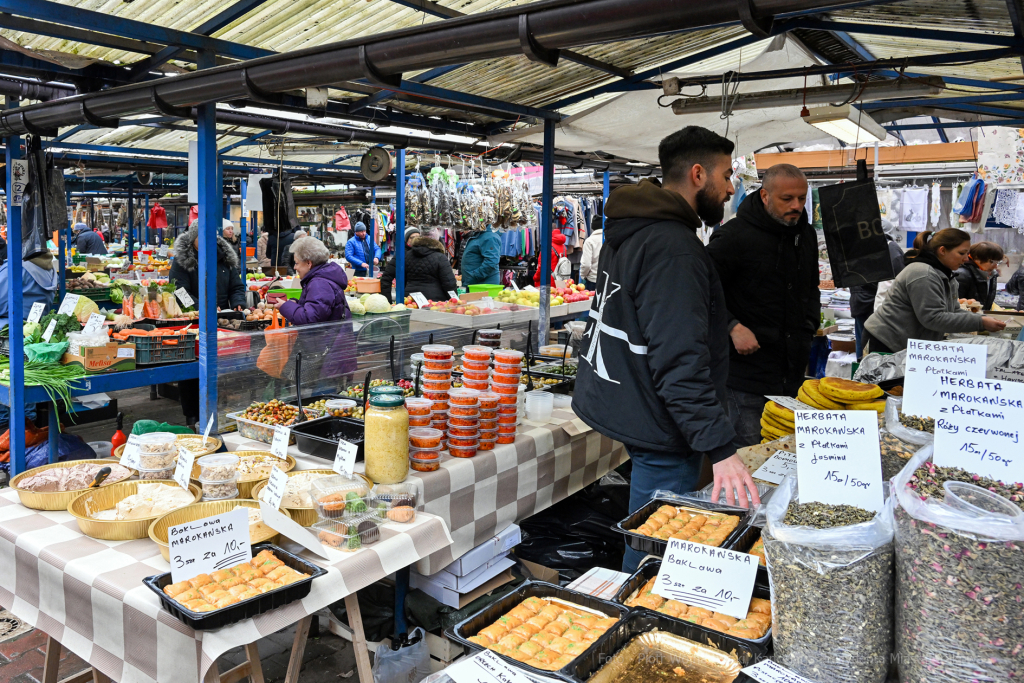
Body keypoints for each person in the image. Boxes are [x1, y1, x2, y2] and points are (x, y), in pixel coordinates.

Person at [572, 125, 760, 574]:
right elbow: (680, 362)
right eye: (726, 175)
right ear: (698, 175)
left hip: (636, 408)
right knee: (654, 549)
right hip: (662, 425)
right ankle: (631, 620)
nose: (732, 187)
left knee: (648, 531)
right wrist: (721, 450)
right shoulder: (673, 249)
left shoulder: (635, 230)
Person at [706, 163, 819, 448]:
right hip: (746, 376)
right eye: (787, 199)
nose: (797, 206)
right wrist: (732, 326)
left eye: (802, 198)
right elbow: (700, 287)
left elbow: (811, 287)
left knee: (786, 453)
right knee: (752, 454)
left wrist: (810, 324)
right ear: (765, 196)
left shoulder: (804, 234)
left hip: (792, 373)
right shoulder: (734, 236)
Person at [865, 229, 1006, 353]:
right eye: (962, 253)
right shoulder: (922, 273)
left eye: (967, 254)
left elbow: (953, 311)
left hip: (908, 342)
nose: (965, 259)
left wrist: (982, 318)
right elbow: (933, 318)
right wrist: (981, 323)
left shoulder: (946, 275)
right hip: (887, 341)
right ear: (942, 250)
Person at [169, 222, 247, 429]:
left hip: (223, 321)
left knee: (222, 367)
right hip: (193, 322)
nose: (207, 243)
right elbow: (180, 292)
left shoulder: (225, 257)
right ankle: (192, 416)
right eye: (202, 239)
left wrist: (239, 302)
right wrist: (202, 308)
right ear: (193, 238)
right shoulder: (181, 260)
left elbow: (237, 286)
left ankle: (221, 410)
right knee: (193, 369)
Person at [850, 220, 905, 359]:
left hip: (861, 303)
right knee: (872, 354)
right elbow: (892, 284)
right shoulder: (890, 249)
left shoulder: (862, 247)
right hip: (874, 307)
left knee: (863, 351)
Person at [276, 237, 349, 324]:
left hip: (328, 337)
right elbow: (318, 310)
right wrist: (295, 303)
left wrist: (285, 306)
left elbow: (310, 319)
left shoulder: (319, 284)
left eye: (296, 263)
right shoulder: (321, 278)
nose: (295, 267)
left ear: (308, 263)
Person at [381, 229, 458, 303]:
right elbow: (449, 284)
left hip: (410, 300)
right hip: (434, 301)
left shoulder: (407, 256)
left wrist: (389, 302)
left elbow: (401, 279)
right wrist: (455, 302)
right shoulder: (440, 257)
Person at [955, 241, 1004, 311]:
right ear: (977, 258)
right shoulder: (961, 275)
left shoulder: (992, 275)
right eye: (992, 262)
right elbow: (953, 305)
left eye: (998, 262)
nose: (996, 266)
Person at [579, 216, 604, 291]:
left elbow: (586, 264)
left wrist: (583, 276)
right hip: (607, 279)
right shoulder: (608, 239)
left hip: (593, 280)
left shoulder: (589, 241)